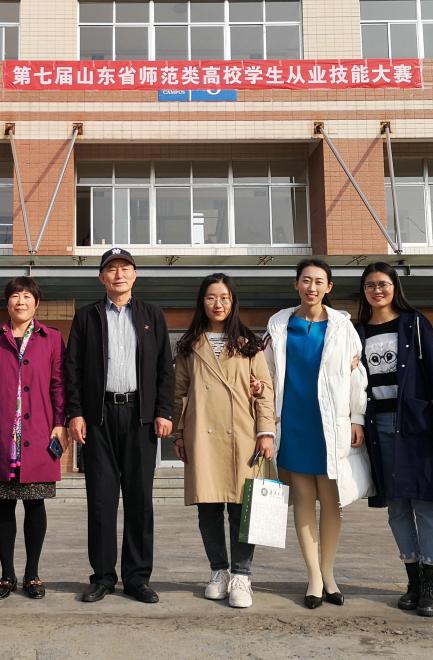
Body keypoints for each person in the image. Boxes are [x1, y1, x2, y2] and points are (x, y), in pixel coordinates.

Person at [65, 247, 174, 604]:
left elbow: (165, 368)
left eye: (125, 268)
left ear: (134, 274)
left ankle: (137, 578)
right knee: (101, 501)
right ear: (102, 278)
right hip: (99, 419)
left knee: (140, 500)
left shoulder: (152, 315)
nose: (119, 274)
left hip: (140, 417)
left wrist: (164, 411)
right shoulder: (87, 317)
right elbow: (72, 369)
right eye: (111, 269)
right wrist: (75, 413)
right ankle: (102, 577)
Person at [263, 258, 372, 609]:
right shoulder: (279, 325)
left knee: (332, 500)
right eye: (306, 280)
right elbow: (266, 374)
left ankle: (329, 574)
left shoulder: (342, 326)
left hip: (330, 426)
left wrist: (357, 418)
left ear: (329, 287)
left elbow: (357, 376)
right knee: (303, 500)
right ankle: (313, 577)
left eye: (319, 281)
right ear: (296, 284)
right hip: (293, 423)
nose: (312, 287)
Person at [355, 262, 433, 617]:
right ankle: (412, 579)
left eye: (383, 284)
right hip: (378, 426)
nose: (377, 290)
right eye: (370, 285)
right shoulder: (357, 331)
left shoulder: (414, 323)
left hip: (417, 425)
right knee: (396, 505)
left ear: (394, 287)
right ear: (364, 291)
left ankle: (430, 584)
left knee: (424, 503)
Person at [172, 273, 275, 609]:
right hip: (202, 432)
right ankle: (218, 570)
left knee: (243, 508)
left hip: (242, 434)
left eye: (224, 298)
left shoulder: (249, 343)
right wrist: (178, 433)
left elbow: (265, 390)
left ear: (233, 302)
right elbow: (179, 392)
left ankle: (242, 575)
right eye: (211, 297)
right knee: (209, 507)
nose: (218, 304)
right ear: (201, 302)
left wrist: (265, 432)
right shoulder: (189, 344)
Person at [0, 277, 65, 600]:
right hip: (1, 434)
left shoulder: (52, 338)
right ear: (7, 302)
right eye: (14, 296)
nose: (20, 302)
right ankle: (7, 575)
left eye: (27, 296)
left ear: (37, 303)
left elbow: (58, 384)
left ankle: (32, 575)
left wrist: (60, 423)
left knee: (35, 504)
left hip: (38, 434)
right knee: (4, 505)